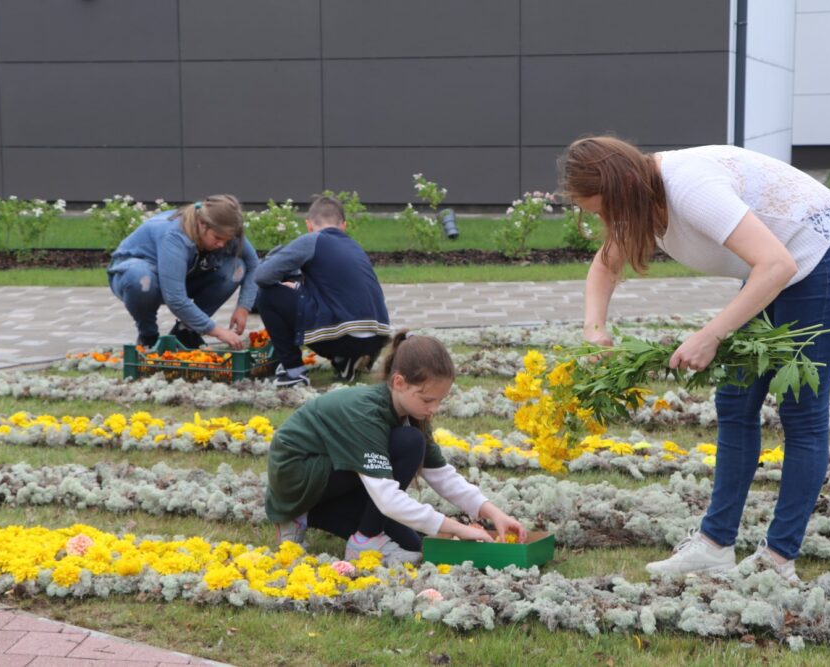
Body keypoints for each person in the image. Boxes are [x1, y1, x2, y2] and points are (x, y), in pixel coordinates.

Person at [558, 136, 830, 582]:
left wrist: (711, 334)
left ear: (623, 186)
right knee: (736, 401)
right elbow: (605, 267)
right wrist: (594, 332)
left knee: (801, 410)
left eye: (604, 209)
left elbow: (777, 265)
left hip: (821, 254)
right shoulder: (640, 196)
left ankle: (778, 560)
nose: (606, 221)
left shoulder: (691, 190)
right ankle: (715, 546)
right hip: (775, 265)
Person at [265, 332, 527, 564]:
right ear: (399, 382)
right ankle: (349, 534)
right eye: (427, 399)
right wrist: (456, 528)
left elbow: (442, 475)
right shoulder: (366, 414)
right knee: (410, 443)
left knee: (412, 543)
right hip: (297, 476)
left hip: (332, 479)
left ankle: (318, 516)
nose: (434, 409)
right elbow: (387, 500)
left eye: (440, 400)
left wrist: (494, 513)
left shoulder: (410, 412)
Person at [254, 195, 392, 386]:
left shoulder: (312, 240)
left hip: (343, 337)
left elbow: (261, 276)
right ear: (344, 225)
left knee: (267, 295)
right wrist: (298, 287)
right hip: (376, 338)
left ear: (309, 225)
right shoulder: (354, 246)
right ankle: (346, 360)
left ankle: (293, 372)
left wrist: (287, 276)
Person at [107, 194, 258, 350]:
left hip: (184, 275)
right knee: (140, 278)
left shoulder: (224, 228)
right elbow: (175, 298)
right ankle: (148, 337)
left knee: (236, 268)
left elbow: (253, 263)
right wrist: (216, 331)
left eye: (227, 239)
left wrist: (244, 307)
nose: (222, 244)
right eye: (217, 238)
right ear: (202, 224)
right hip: (138, 277)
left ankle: (185, 332)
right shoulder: (175, 235)